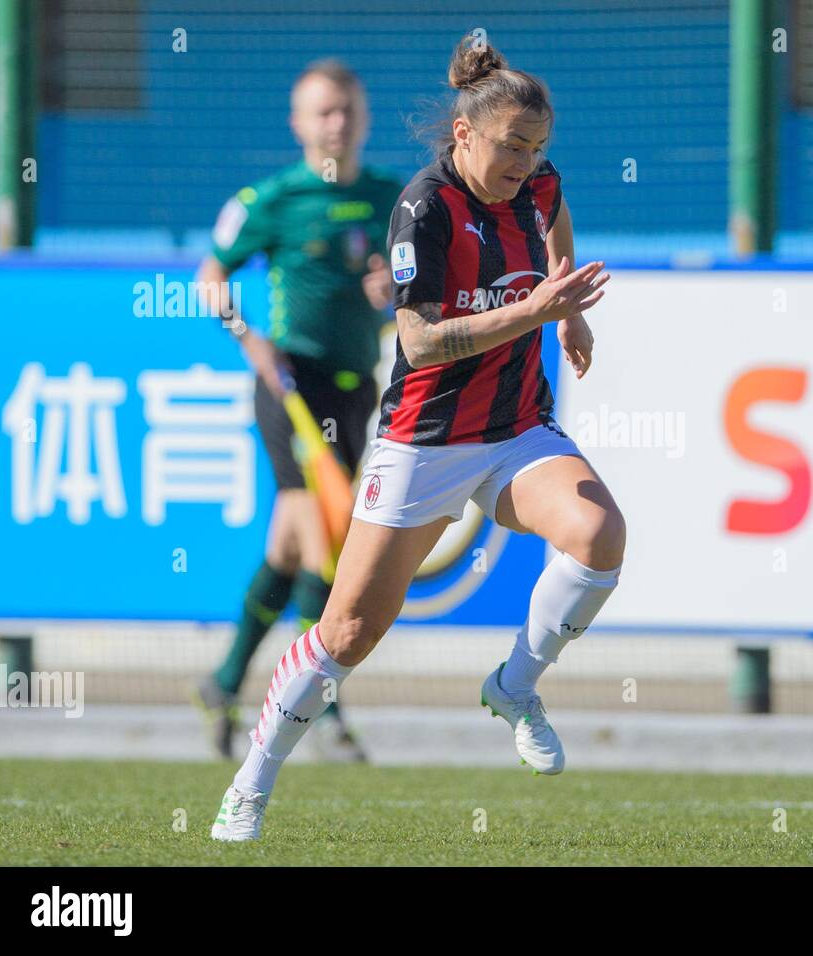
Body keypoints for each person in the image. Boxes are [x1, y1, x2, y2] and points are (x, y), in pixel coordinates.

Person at [211, 35, 624, 841]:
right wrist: (536, 311)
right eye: (512, 146)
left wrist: (566, 305)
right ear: (465, 136)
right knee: (346, 634)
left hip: (516, 428)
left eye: (537, 148)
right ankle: (251, 782)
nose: (526, 163)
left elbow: (556, 221)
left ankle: (515, 686)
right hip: (424, 440)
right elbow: (424, 341)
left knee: (599, 535)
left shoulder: (538, 185)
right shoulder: (423, 207)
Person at [194, 59, 404, 763]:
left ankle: (224, 682)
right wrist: (249, 339)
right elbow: (212, 275)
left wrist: (392, 296)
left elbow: (413, 290)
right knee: (326, 534)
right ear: (299, 123)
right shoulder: (273, 199)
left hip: (354, 388)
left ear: (363, 115)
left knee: (292, 545)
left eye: (346, 109)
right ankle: (317, 706)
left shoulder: (391, 199)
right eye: (322, 112)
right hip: (291, 388)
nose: (335, 123)